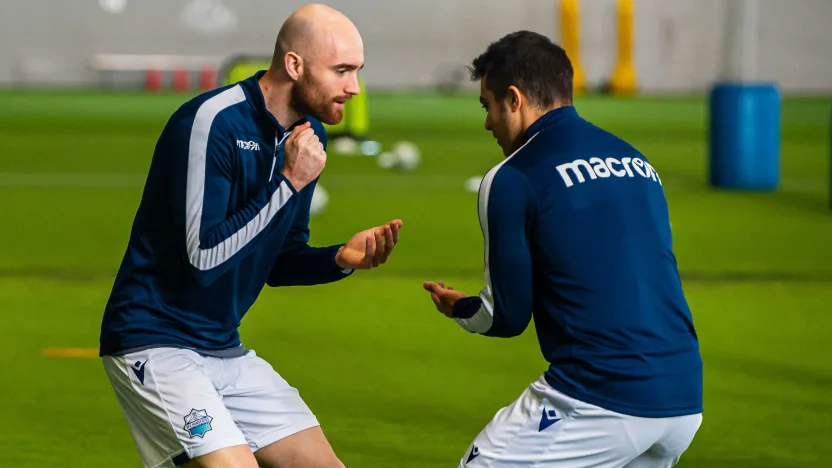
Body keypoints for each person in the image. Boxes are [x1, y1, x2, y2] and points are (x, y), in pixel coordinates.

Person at [98, 4, 401, 467]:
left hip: (224, 347)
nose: (354, 88)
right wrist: (288, 184)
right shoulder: (212, 122)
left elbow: (281, 259)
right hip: (154, 340)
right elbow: (202, 258)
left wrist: (339, 258)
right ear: (294, 65)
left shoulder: (306, 135)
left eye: (357, 71)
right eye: (341, 71)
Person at [423, 31, 703, 468]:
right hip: (684, 395)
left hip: (600, 397)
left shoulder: (512, 177)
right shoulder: (636, 160)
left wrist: (459, 308)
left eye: (488, 106)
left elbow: (504, 317)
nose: (487, 123)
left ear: (513, 99)